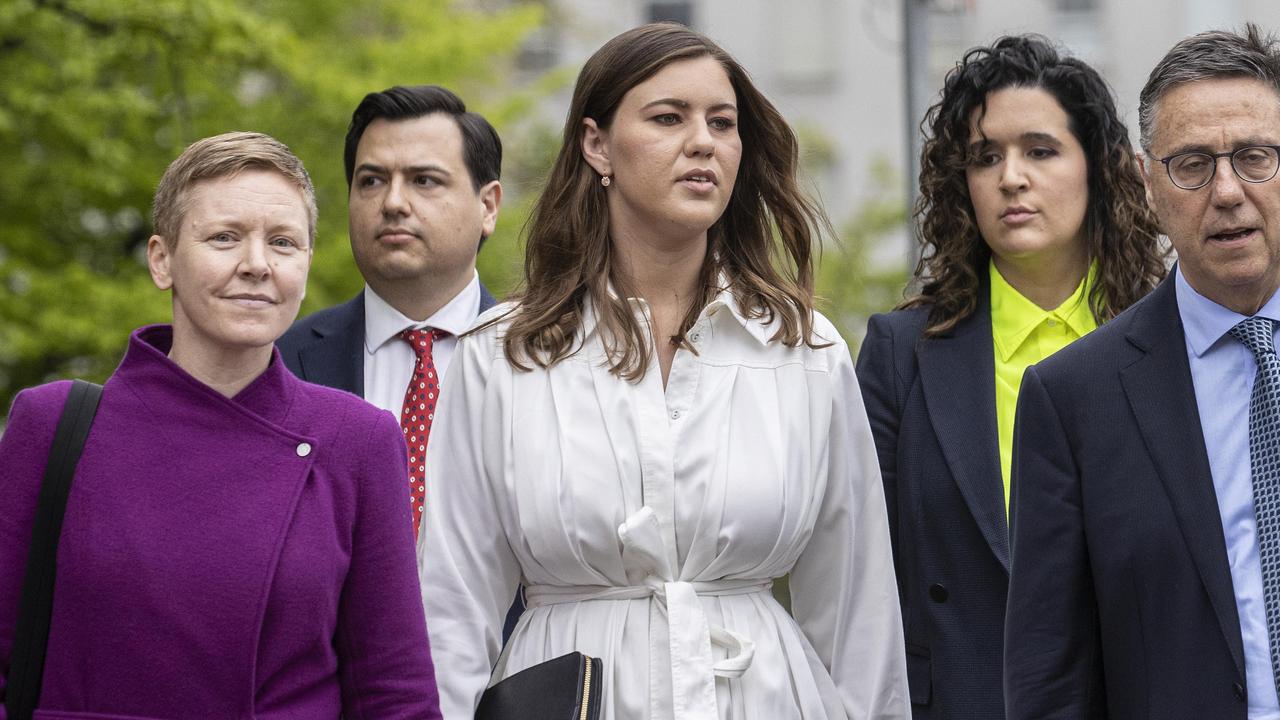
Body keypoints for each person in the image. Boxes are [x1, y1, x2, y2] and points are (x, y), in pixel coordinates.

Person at [417, 21, 909, 720]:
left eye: (723, 122)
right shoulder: (501, 355)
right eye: (668, 117)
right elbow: (450, 607)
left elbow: (859, 612)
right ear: (597, 145)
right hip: (569, 696)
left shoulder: (806, 352)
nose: (703, 141)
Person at [0, 132, 440, 718]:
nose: (256, 265)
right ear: (162, 260)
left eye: (283, 243)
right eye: (225, 238)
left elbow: (394, 691)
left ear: (306, 264)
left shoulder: (356, 439)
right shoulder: (52, 424)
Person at [853, 35, 1165, 718]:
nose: (1010, 177)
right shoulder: (899, 353)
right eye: (985, 156)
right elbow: (863, 579)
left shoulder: (1171, 342)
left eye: (1040, 150)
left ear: (1102, 168)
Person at [1004, 25, 1280, 719]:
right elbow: (1050, 674)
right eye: (1191, 163)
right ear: (1146, 182)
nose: (1226, 191)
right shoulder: (1074, 399)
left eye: (1255, 158)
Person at [276, 84, 501, 538]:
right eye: (372, 181)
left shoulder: (546, 359)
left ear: (488, 206)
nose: (393, 203)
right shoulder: (279, 360)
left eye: (424, 180)